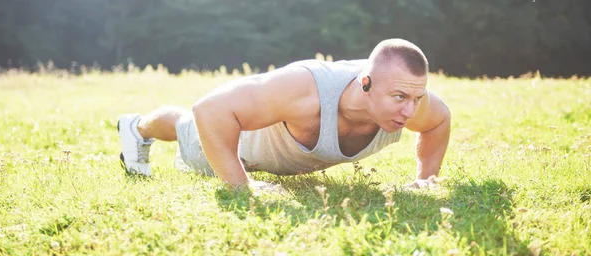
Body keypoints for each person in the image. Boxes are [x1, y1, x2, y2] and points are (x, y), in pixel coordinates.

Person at [118, 38, 451, 191]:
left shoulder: (409, 99)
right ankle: (138, 128)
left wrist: (426, 180)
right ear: (365, 83)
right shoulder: (308, 89)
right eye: (399, 98)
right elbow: (210, 109)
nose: (410, 110)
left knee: (185, 123)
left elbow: (439, 119)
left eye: (416, 97)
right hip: (238, 146)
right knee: (185, 126)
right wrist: (242, 187)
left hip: (258, 142)